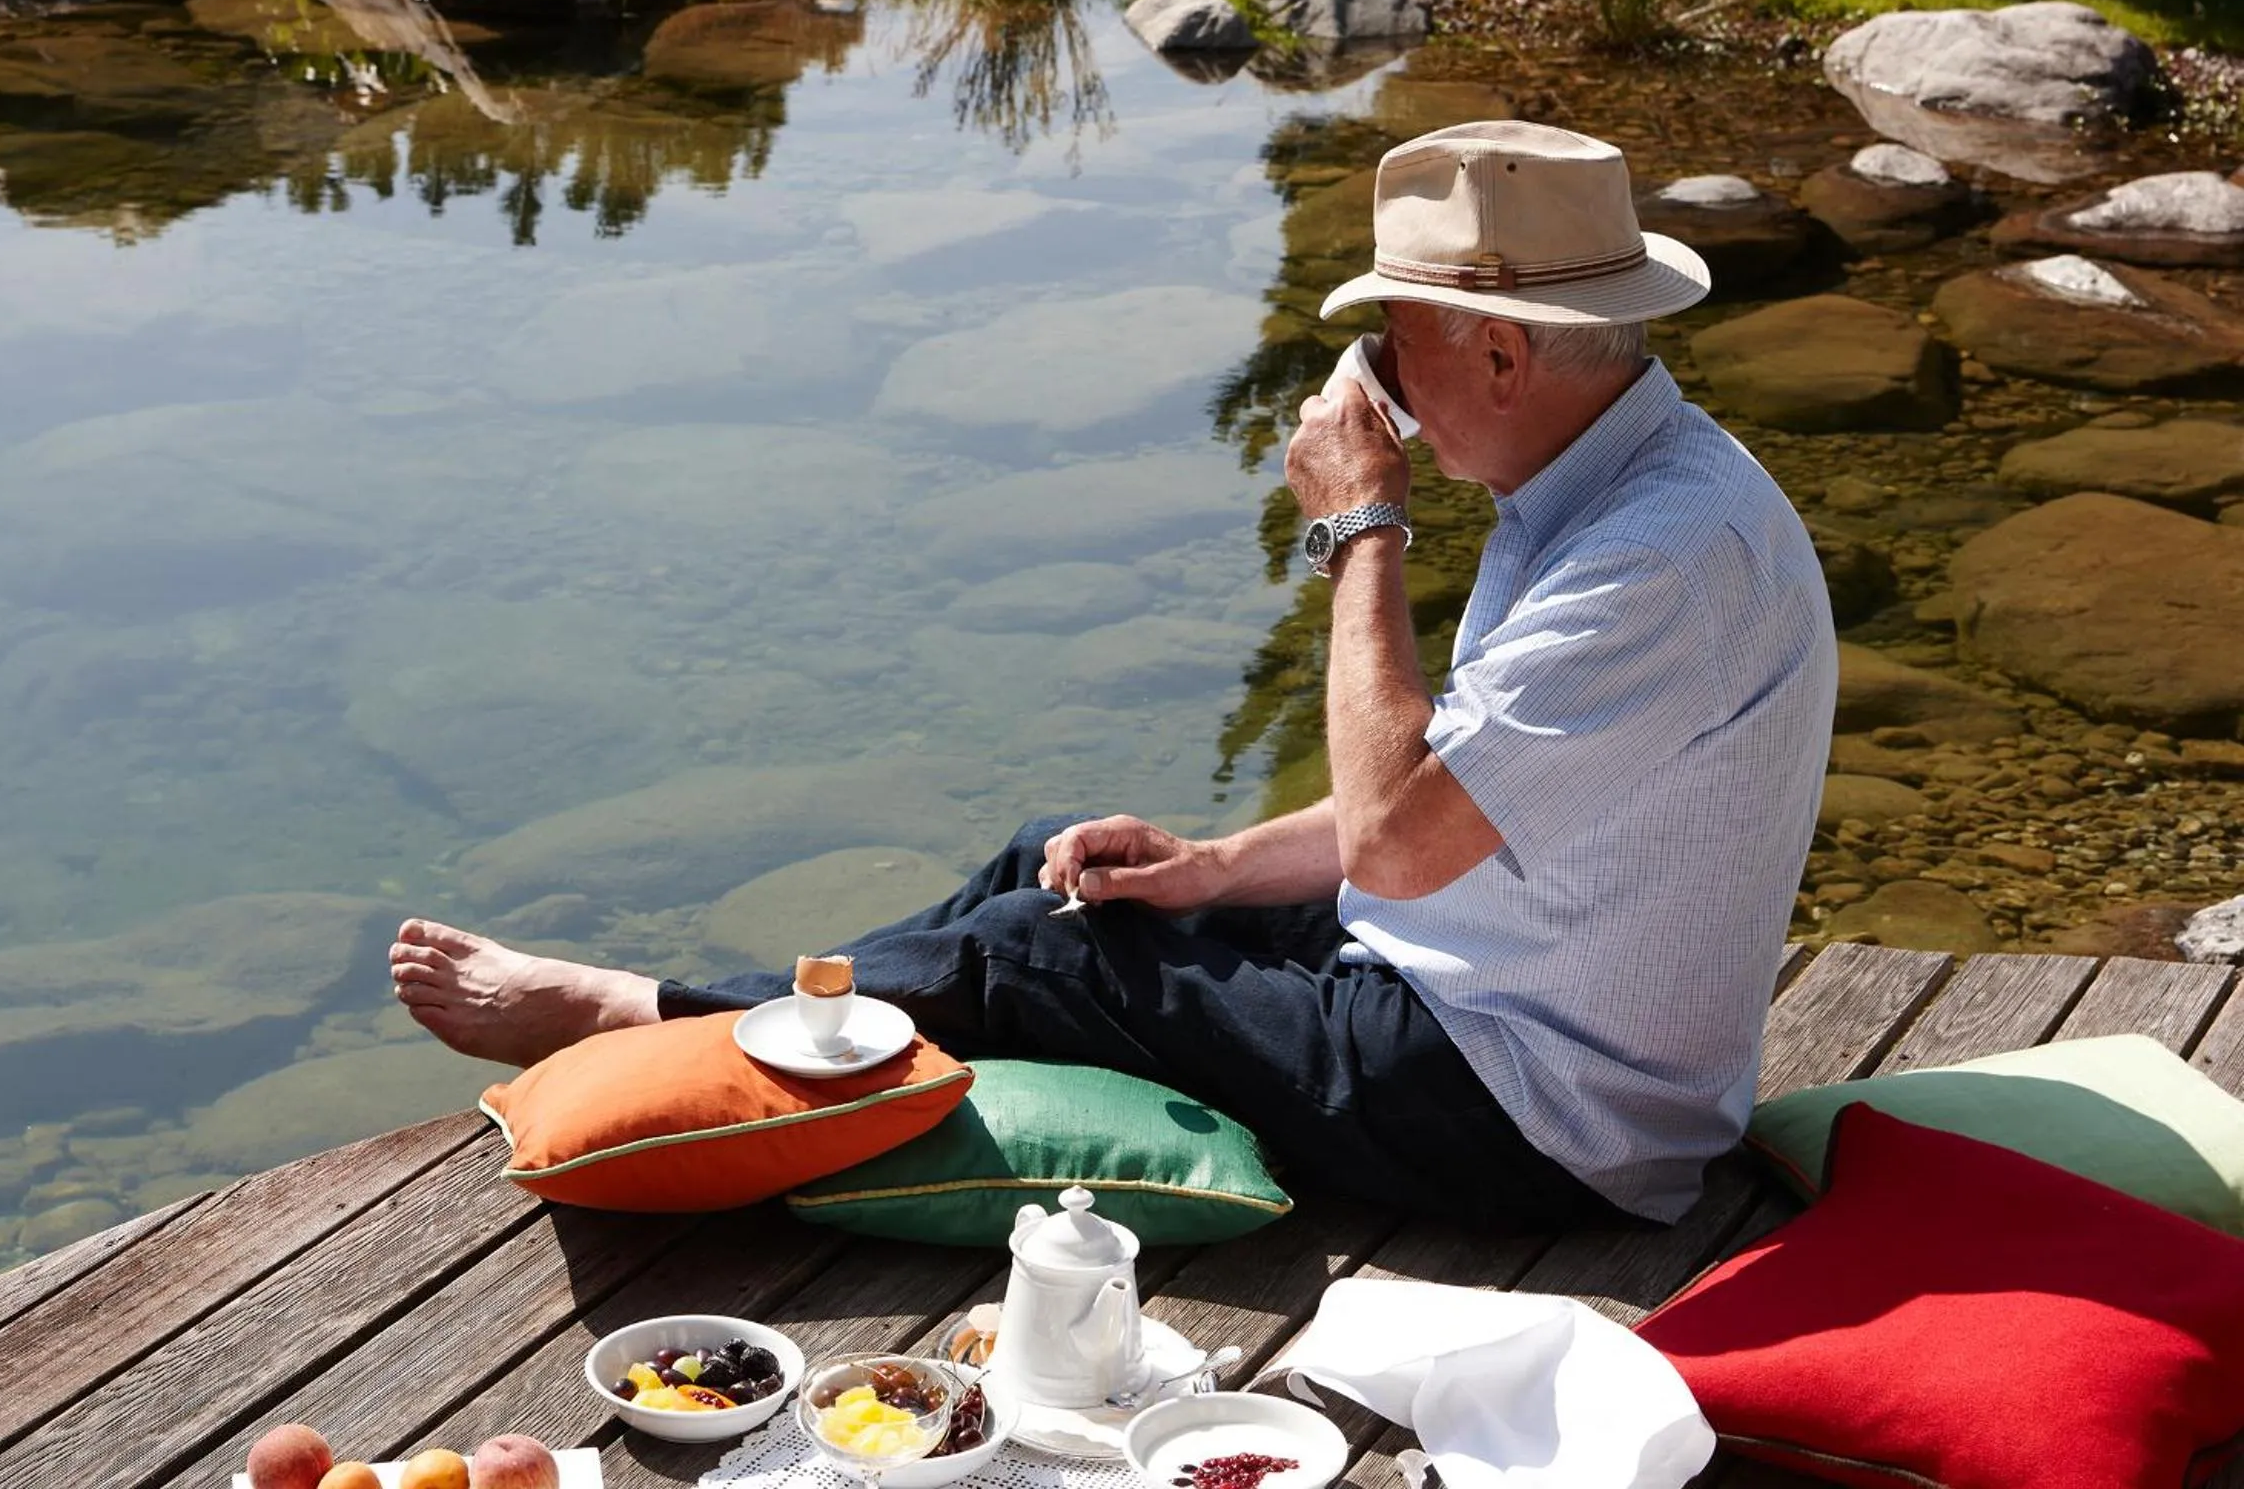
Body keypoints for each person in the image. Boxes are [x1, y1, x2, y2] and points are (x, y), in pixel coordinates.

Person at [392, 122, 1836, 1233]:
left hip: (1535, 1112)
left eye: (1390, 350)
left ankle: (652, 1022)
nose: (1375, 390)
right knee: (1061, 865)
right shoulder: (1612, 493)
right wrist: (1209, 866)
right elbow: (1466, 805)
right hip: (1475, 996)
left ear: (1506, 355)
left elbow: (1399, 840)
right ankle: (767, 1047)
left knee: (1039, 951)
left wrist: (1360, 526)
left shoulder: (1659, 561)